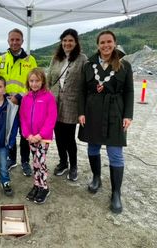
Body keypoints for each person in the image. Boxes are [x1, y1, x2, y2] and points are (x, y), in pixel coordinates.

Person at [78, 30, 134, 214]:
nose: (106, 45)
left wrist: (128, 115)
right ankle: (96, 178)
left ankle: (116, 193)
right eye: (102, 42)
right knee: (93, 147)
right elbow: (82, 91)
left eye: (109, 42)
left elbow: (129, 92)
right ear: (97, 45)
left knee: (115, 152)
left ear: (115, 43)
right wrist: (81, 112)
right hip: (92, 112)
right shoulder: (88, 65)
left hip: (115, 112)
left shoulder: (124, 65)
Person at [0, 28, 37, 177]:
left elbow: (34, 83)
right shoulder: (0, 60)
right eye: (12, 39)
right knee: (9, 133)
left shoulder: (30, 60)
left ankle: (25, 161)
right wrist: (4, 97)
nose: (14, 42)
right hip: (6, 103)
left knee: (26, 134)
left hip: (25, 103)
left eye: (17, 39)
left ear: (22, 41)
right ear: (8, 41)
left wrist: (18, 97)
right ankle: (11, 159)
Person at [47, 29, 87, 181]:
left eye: (70, 40)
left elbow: (85, 84)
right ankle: (63, 162)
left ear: (76, 42)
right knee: (58, 136)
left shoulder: (82, 59)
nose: (67, 43)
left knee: (69, 137)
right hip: (54, 103)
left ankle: (74, 166)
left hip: (71, 104)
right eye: (64, 40)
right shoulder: (56, 58)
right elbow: (49, 79)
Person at [20, 68, 57, 204]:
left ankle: (44, 187)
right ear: (28, 82)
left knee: (40, 162)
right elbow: (23, 118)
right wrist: (28, 134)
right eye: (32, 81)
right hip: (31, 137)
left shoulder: (48, 97)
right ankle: (37, 184)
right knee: (35, 161)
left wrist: (40, 135)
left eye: (37, 81)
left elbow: (51, 118)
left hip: (43, 137)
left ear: (43, 81)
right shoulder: (26, 98)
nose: (34, 84)